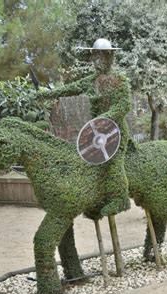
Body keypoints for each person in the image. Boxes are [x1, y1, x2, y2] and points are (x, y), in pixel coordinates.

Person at [35, 38, 131, 217]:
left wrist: (105, 118)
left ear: (110, 57)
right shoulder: (90, 81)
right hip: (95, 133)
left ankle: (121, 199)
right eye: (95, 56)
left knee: (114, 162)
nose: (97, 60)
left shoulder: (120, 80)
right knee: (88, 162)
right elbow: (69, 88)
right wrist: (46, 94)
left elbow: (124, 105)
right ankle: (95, 201)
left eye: (101, 56)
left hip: (115, 131)